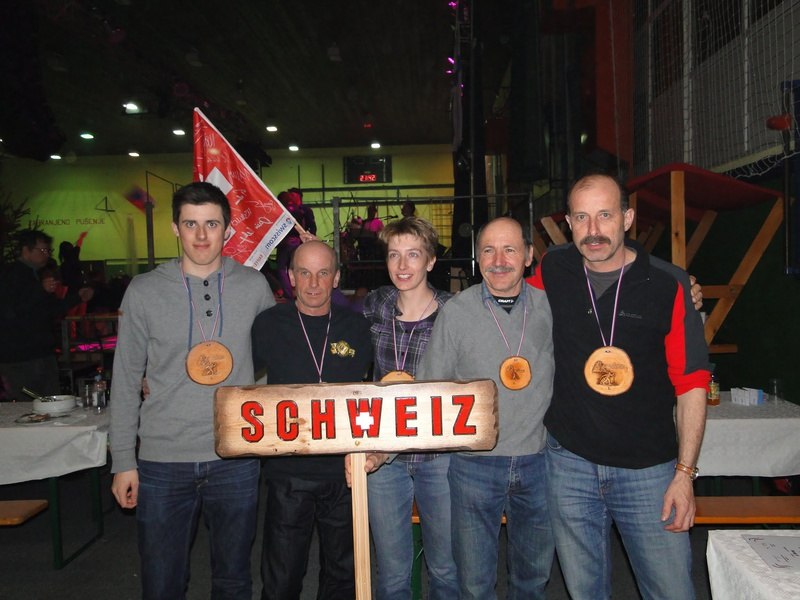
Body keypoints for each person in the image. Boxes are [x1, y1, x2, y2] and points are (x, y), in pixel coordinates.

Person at [531, 174, 709, 599]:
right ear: (569, 224)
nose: (593, 230)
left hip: (649, 472)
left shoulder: (669, 284)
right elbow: (506, 295)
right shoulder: (553, 269)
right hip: (569, 464)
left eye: (605, 215)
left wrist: (685, 475)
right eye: (581, 218)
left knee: (671, 591)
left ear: (627, 219)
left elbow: (692, 385)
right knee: (584, 591)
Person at [109, 181, 275, 599]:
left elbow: (271, 367)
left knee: (234, 578)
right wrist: (123, 460)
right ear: (175, 228)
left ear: (227, 230)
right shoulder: (143, 291)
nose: (201, 235)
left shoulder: (254, 286)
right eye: (190, 224)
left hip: (235, 457)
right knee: (162, 581)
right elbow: (125, 378)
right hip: (163, 459)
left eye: (212, 224)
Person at [417, 217, 555, 599]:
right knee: (475, 584)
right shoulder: (456, 312)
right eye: (489, 250)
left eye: (510, 249)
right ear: (478, 258)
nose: (499, 260)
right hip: (474, 466)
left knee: (533, 579)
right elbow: (429, 387)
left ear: (528, 255)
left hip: (540, 462)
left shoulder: (551, 308)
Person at [251, 240, 372, 600]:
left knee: (343, 577)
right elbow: (231, 377)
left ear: (336, 278)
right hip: (288, 472)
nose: (314, 283)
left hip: (345, 472)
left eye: (323, 273)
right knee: (282, 577)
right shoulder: (267, 324)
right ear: (291, 277)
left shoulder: (357, 327)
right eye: (304, 273)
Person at [350, 217, 458, 599]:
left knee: (445, 567)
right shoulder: (376, 304)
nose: (402, 265)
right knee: (392, 571)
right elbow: (332, 318)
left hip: (438, 454)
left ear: (431, 260)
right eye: (394, 255)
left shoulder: (453, 312)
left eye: (413, 254)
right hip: (383, 455)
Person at [0, 229, 93, 401]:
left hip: (40, 352)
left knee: (49, 403)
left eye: (48, 250)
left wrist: (77, 298)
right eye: (42, 250)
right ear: (26, 250)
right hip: (21, 356)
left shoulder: (35, 275)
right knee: (31, 405)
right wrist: (40, 289)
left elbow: (50, 309)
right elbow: (12, 310)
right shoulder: (11, 275)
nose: (46, 254)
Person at [275, 189, 317, 299]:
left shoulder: (285, 210)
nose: (292, 197)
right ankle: (299, 292)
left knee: (284, 268)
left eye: (293, 195)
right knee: (296, 268)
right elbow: (311, 227)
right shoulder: (300, 210)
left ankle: (290, 293)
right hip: (296, 242)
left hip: (288, 242)